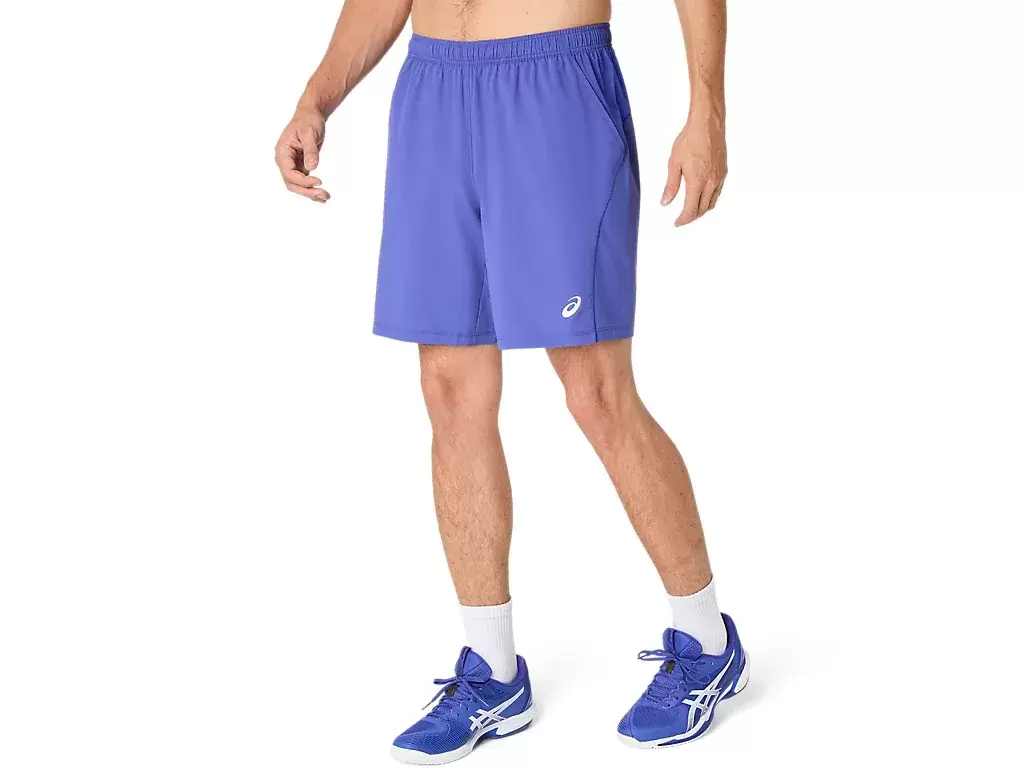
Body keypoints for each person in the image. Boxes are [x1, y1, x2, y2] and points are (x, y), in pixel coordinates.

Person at [275, 0, 745, 762]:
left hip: (553, 87)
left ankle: (707, 641)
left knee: (596, 393)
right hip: (434, 92)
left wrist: (707, 111)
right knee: (449, 389)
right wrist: (315, 99)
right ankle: (492, 673)